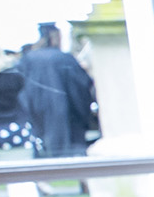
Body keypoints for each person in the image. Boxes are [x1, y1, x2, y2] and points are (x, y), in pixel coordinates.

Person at [16, 24, 97, 162]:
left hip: (38, 122)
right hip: (69, 123)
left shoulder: (26, 60)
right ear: (54, 36)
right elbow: (83, 89)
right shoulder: (64, 59)